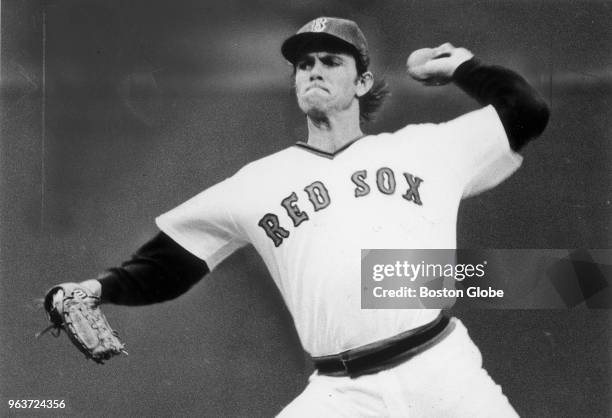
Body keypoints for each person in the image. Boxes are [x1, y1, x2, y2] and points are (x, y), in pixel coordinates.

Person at [45, 17, 549, 417]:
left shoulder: (424, 148)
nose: (313, 69)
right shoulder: (257, 182)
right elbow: (172, 259)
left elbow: (525, 110)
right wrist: (100, 287)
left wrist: (460, 67)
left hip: (443, 372)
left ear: (362, 81)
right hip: (342, 394)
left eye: (331, 60)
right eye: (304, 63)